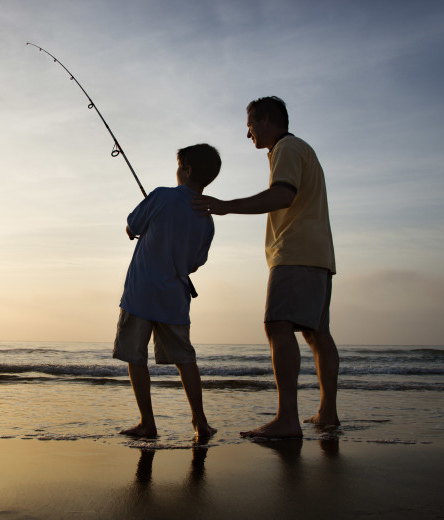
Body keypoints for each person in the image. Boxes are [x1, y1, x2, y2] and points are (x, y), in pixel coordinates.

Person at [192, 96, 340, 438]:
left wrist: (226, 206)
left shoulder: (287, 148)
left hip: (294, 252)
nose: (248, 135)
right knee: (317, 334)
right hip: (319, 255)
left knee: (277, 325)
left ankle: (287, 419)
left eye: (249, 126)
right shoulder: (302, 149)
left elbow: (282, 196)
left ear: (266, 120)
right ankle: (327, 413)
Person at [113, 143, 221, 439]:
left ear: (185, 170)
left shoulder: (161, 196)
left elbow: (131, 225)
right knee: (185, 359)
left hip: (140, 294)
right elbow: (195, 263)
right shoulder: (207, 218)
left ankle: (147, 423)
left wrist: (136, 230)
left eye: (179, 166)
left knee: (136, 357)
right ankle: (200, 422)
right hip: (174, 298)